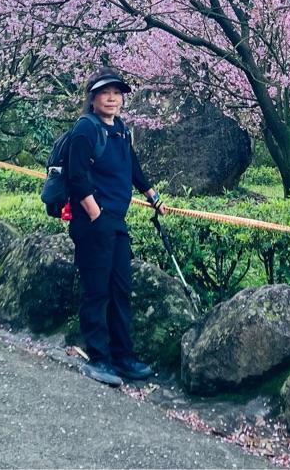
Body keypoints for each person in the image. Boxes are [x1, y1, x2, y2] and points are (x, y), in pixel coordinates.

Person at [67, 67, 167, 386]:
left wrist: (152, 196)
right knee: (97, 290)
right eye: (104, 93)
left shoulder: (121, 129)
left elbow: (132, 167)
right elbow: (76, 176)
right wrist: (95, 214)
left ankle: (123, 356)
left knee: (120, 288)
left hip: (116, 221)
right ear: (93, 98)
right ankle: (99, 358)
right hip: (93, 222)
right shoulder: (86, 129)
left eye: (116, 93)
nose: (112, 98)